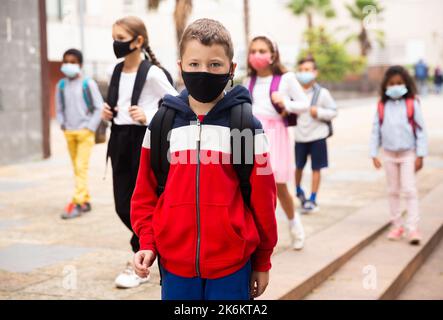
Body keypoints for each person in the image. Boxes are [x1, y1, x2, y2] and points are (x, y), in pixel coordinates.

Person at [130, 18, 278, 300]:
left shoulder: (245, 127)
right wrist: (147, 242)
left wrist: (262, 261)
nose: (203, 72)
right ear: (181, 67)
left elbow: (263, 199)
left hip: (233, 266)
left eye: (214, 65)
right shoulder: (163, 124)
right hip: (174, 266)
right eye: (194, 64)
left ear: (231, 69)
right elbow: (145, 193)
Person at [101, 16, 177, 289]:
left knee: (141, 202)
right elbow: (115, 103)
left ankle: (140, 258)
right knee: (123, 205)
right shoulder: (116, 71)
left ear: (138, 41)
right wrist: (106, 111)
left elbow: (177, 105)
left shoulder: (153, 73)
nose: (116, 44)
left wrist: (150, 114)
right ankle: (150, 247)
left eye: (120, 38)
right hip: (119, 139)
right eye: (114, 38)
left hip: (141, 140)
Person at [244, 35, 310, 250]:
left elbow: (304, 104)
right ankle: (262, 235)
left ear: (272, 55)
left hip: (276, 133)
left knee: (279, 185)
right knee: (255, 185)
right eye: (253, 51)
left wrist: (286, 103)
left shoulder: (286, 78)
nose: (257, 55)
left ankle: (295, 226)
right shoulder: (248, 81)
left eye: (262, 51)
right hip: (253, 135)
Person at [370, 65, 427, 245]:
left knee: (409, 190)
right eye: (392, 83)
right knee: (393, 191)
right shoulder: (382, 105)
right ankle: (397, 226)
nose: (395, 86)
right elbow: (375, 130)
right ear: (386, 85)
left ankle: (412, 227)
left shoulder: (412, 103)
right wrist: (373, 153)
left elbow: (421, 131)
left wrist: (421, 155)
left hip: (408, 154)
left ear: (406, 84)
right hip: (388, 154)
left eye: (399, 83)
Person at [56, 48, 103, 219]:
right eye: (66, 61)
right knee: (76, 167)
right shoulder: (60, 85)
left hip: (85, 133)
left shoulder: (87, 83)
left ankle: (77, 203)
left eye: (73, 62)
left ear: (80, 65)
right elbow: (59, 108)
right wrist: (62, 124)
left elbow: (99, 107)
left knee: (81, 167)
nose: (69, 65)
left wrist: (89, 127)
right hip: (69, 132)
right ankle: (86, 200)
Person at [294, 57, 337, 213]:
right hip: (300, 137)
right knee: (298, 166)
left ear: (315, 72)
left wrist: (318, 112)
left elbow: (334, 111)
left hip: (318, 137)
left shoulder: (322, 93)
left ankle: (312, 198)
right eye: (301, 70)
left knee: (316, 168)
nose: (304, 73)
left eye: (307, 70)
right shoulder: (294, 93)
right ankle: (298, 190)